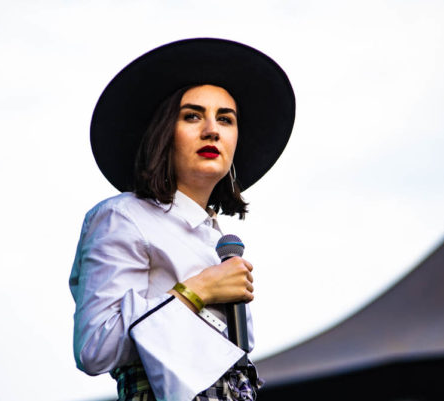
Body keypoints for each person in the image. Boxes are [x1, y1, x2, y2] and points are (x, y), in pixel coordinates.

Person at [69, 38, 295, 401]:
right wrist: (199, 290)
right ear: (163, 132)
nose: (212, 130)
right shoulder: (123, 216)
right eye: (192, 116)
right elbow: (95, 347)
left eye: (226, 119)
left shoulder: (215, 238)